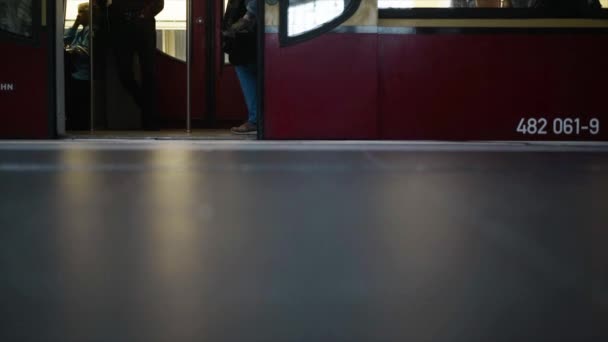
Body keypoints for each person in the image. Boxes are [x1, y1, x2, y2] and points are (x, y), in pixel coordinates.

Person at [109, 0, 164, 130]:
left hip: (143, 23)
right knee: (124, 73)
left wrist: (145, 14)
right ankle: (148, 111)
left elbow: (159, 2)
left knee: (149, 72)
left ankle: (149, 121)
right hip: (120, 24)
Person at [224, 0, 258, 135]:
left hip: (248, 40)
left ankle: (255, 120)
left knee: (248, 74)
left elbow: (253, 11)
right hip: (246, 40)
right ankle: (256, 118)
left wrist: (232, 29)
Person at [64, 2, 91, 130]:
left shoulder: (90, 30)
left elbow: (86, 51)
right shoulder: (80, 31)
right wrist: (75, 25)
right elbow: (64, 40)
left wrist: (74, 50)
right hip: (74, 70)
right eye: (78, 12)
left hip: (82, 73)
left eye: (82, 12)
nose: (78, 15)